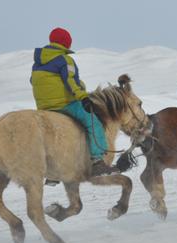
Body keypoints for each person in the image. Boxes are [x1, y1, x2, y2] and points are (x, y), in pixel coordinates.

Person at [30, 27, 119, 185]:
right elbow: (71, 81)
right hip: (65, 105)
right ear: (66, 43)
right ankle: (98, 161)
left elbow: (33, 82)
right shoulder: (65, 60)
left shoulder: (37, 63)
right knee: (93, 122)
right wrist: (83, 97)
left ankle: (51, 174)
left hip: (44, 107)